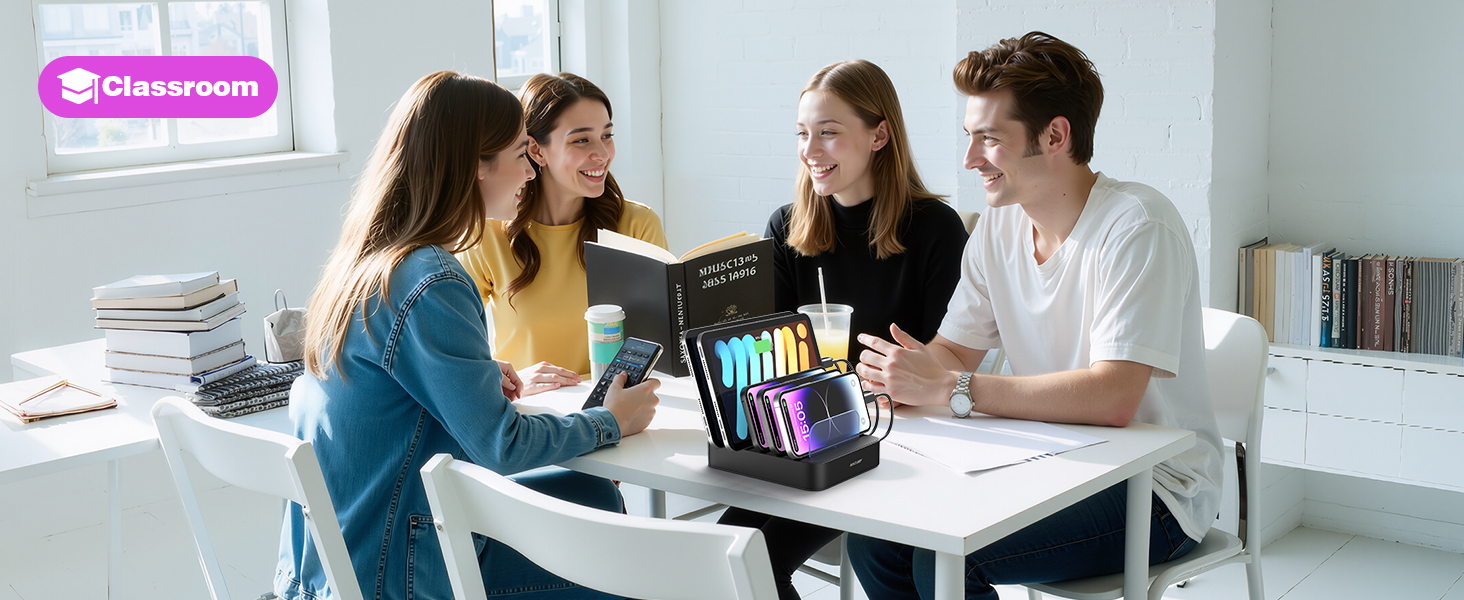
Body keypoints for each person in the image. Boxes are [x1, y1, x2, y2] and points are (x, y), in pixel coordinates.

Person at [848, 32, 1223, 600]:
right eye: (970, 138)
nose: (971, 159)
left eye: (989, 140)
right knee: (872, 543)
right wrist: (903, 377)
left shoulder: (1138, 227)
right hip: (1045, 460)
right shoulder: (1000, 225)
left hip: (1156, 488)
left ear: (1055, 135)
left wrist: (955, 388)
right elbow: (954, 351)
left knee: (943, 558)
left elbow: (1113, 398)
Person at [275, 71, 660, 600]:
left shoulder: (368, 263)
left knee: (587, 492)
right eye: (519, 154)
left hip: (340, 559)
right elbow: (502, 446)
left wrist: (475, 379)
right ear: (475, 167)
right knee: (639, 565)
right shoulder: (433, 281)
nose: (530, 170)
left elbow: (398, 395)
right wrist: (608, 421)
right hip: (400, 570)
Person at [717, 59, 970, 600]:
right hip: (811, 435)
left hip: (897, 444)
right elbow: (777, 356)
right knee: (727, 558)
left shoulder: (935, 230)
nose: (811, 150)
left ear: (879, 134)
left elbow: (939, 366)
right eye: (804, 134)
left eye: (829, 133)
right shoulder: (788, 227)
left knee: (751, 558)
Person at [457, 73, 668, 393]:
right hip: (532, 415)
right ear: (537, 151)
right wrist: (513, 382)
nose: (602, 154)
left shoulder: (637, 225)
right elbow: (455, 355)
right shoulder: (488, 232)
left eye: (607, 135)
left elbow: (661, 345)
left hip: (618, 411)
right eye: (581, 140)